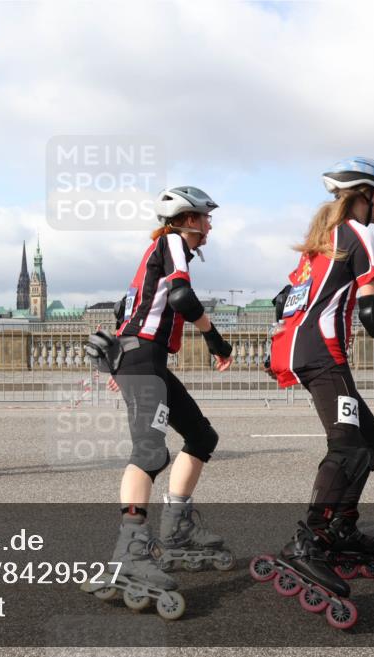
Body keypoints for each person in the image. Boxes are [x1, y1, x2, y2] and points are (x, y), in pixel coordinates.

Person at [267, 157, 374, 599]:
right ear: (363, 195)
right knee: (349, 447)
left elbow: (283, 303)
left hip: (304, 349)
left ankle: (340, 527)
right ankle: (309, 541)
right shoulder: (357, 233)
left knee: (372, 440)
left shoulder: (321, 242)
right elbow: (372, 310)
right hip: (321, 354)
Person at [89, 186, 236, 606]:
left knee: (202, 437)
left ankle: (177, 527)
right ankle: (131, 551)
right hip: (143, 360)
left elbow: (125, 309)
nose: (209, 226)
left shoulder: (164, 252)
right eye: (206, 218)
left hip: (145, 361)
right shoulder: (171, 242)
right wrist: (217, 342)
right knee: (150, 453)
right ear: (188, 220)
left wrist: (121, 358)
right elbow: (181, 297)